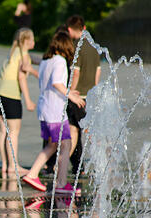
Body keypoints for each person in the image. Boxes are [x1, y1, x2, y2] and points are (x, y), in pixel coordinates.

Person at [22, 32, 85, 193]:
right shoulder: (59, 61)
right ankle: (61, 184)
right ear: (66, 46)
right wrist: (71, 95)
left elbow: (50, 82)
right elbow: (57, 82)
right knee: (66, 143)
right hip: (55, 110)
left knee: (54, 144)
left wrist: (69, 91)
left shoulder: (46, 61)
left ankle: (34, 174)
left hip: (46, 109)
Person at [0, 28, 37, 175]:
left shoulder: (13, 51)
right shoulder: (24, 55)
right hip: (11, 95)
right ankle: (14, 165)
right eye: (31, 39)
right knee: (14, 131)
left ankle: (5, 164)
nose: (34, 42)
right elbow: (21, 77)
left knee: (2, 131)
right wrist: (28, 101)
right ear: (25, 41)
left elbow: (29, 61)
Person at [66, 15, 101, 175]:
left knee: (74, 131)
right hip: (90, 95)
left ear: (70, 30)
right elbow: (98, 72)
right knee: (91, 132)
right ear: (84, 28)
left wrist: (70, 92)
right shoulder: (94, 47)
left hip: (78, 96)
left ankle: (63, 163)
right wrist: (94, 90)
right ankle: (100, 163)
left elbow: (76, 74)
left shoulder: (77, 47)